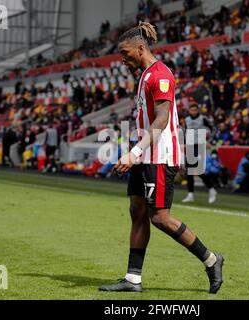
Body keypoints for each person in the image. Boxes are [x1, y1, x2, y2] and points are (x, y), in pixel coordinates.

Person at [99, 22, 224, 294]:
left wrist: (134, 152)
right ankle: (133, 280)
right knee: (137, 212)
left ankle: (212, 260)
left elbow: (162, 120)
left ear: (140, 48)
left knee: (160, 217)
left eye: (124, 52)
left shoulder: (161, 75)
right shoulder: (145, 75)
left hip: (159, 156)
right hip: (144, 155)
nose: (122, 58)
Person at [182, 102, 218, 204]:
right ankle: (191, 194)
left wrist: (210, 141)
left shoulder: (203, 118)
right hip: (190, 145)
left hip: (200, 144)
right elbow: (186, 131)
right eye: (191, 110)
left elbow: (213, 128)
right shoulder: (187, 119)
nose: (193, 112)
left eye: (195, 110)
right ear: (189, 111)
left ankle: (211, 189)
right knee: (190, 170)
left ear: (198, 110)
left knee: (198, 169)